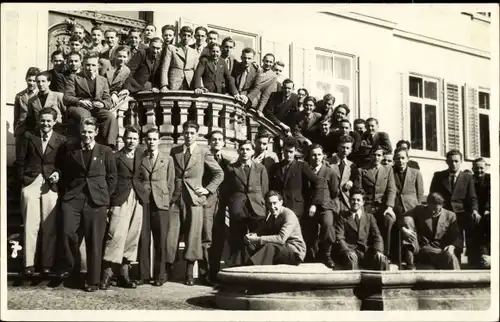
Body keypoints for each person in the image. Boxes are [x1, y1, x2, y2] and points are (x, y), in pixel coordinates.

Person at [57, 117, 117, 292]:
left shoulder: (105, 151)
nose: (87, 135)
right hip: (73, 198)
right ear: (80, 132)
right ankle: (73, 271)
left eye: (90, 132)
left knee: (95, 240)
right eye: (84, 131)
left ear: (96, 132)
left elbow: (112, 177)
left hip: (96, 201)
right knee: (68, 232)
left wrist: (105, 196)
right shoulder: (71, 150)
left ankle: (93, 280)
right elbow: (65, 172)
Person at [167, 121, 224, 285]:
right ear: (182, 133)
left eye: (192, 133)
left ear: (197, 135)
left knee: (193, 236)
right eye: (186, 132)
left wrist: (207, 190)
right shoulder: (174, 151)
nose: (188, 135)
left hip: (194, 199)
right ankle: (166, 269)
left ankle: (189, 274)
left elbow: (219, 174)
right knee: (171, 235)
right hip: (176, 199)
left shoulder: (203, 152)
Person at [17, 107, 66, 276]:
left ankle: (47, 263)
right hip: (31, 182)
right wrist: (23, 180)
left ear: (54, 122)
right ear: (39, 121)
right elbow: (20, 161)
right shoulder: (29, 137)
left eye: (49, 121)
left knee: (49, 225)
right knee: (31, 224)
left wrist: (58, 173)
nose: (45, 124)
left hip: (50, 185)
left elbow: (62, 165)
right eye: (43, 120)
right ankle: (28, 264)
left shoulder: (61, 140)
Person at [100, 126, 147, 289]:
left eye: (134, 138)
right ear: (123, 138)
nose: (131, 141)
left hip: (137, 199)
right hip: (119, 198)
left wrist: (143, 190)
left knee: (132, 236)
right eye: (129, 138)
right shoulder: (115, 157)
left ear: (138, 140)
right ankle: (106, 275)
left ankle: (124, 275)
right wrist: (109, 202)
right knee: (115, 235)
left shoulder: (141, 155)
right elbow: (109, 178)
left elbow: (143, 176)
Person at [136, 128, 175, 286]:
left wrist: (167, 199)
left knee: (161, 239)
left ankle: (160, 275)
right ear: (145, 141)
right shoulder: (140, 157)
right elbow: (137, 178)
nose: (151, 142)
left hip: (161, 202)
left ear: (159, 141)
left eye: (154, 139)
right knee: (143, 238)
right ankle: (143, 274)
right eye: (149, 139)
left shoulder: (167, 159)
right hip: (145, 200)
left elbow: (171, 182)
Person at [429, 149, 480, 267]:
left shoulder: (467, 177)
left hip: (461, 211)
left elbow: (472, 197)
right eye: (451, 161)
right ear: (447, 162)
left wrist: (475, 210)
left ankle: (468, 261)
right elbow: (433, 195)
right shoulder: (439, 176)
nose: (453, 164)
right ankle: (448, 261)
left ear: (461, 161)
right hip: (444, 211)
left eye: (456, 161)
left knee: (468, 224)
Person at [226, 140, 269, 267]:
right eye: (242, 149)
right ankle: (237, 264)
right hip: (238, 206)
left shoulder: (260, 168)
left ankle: (256, 262)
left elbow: (265, 188)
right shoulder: (232, 168)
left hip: (257, 205)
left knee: (257, 234)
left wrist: (265, 207)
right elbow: (227, 188)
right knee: (237, 235)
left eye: (247, 149)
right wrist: (231, 203)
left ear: (252, 152)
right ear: (238, 151)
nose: (245, 152)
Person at [63, 52, 118, 148]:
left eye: (93, 65)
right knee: (85, 116)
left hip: (96, 108)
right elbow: (67, 97)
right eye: (87, 65)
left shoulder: (102, 80)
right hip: (78, 107)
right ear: (83, 65)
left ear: (98, 66)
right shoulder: (74, 78)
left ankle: (108, 146)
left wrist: (102, 104)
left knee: (110, 117)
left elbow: (107, 100)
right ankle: (85, 143)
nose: (90, 68)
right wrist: (80, 101)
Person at [201, 130, 233, 284]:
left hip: (222, 205)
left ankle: (215, 272)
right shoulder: (203, 159)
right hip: (207, 202)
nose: (217, 142)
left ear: (224, 142)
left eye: (220, 139)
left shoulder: (228, 163)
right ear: (209, 142)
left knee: (219, 238)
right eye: (214, 139)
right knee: (206, 237)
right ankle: (204, 273)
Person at [401, 193, 461, 270]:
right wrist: (404, 229)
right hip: (424, 248)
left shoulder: (450, 215)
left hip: (441, 249)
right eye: (430, 209)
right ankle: (458, 279)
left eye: (435, 210)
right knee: (448, 258)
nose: (432, 212)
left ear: (441, 206)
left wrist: (452, 246)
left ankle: (456, 279)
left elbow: (456, 236)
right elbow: (403, 217)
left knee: (450, 257)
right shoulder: (419, 210)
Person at [244, 191, 306, 266]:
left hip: (294, 252)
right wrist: (250, 236)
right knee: (250, 244)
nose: (272, 207)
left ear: (281, 202)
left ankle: (253, 267)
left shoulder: (288, 215)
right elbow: (261, 230)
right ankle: (245, 265)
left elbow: (281, 239)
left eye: (274, 203)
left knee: (269, 247)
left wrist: (257, 239)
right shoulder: (272, 216)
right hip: (280, 248)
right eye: (269, 204)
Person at [268, 138, 325, 219]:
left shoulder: (302, 166)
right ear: (283, 151)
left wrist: (314, 204)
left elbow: (319, 182)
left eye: (291, 152)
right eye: (286, 151)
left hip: (296, 209)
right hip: (278, 209)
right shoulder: (275, 167)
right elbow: (271, 187)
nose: (288, 154)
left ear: (295, 151)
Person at [335, 190, 388, 270]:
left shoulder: (369, 217)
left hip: (366, 252)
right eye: (353, 199)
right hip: (350, 252)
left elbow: (377, 236)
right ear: (349, 201)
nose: (355, 202)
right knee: (352, 261)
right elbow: (339, 237)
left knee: (382, 260)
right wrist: (347, 251)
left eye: (358, 200)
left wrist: (379, 251)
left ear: (363, 202)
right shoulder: (343, 217)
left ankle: (380, 282)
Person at [359, 147, 396, 258]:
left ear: (382, 157)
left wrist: (389, 207)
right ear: (370, 156)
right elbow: (358, 189)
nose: (376, 157)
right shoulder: (362, 170)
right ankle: (365, 254)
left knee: (388, 220)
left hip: (382, 206)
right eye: (374, 155)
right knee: (362, 222)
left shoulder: (388, 170)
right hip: (367, 205)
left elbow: (391, 189)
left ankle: (386, 254)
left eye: (379, 155)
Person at [306, 144, 339, 267]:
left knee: (328, 225)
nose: (316, 157)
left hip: (325, 206)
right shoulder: (307, 170)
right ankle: (312, 255)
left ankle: (327, 254)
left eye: (319, 154)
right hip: (309, 207)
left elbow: (334, 191)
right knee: (309, 229)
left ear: (323, 155)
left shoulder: (330, 172)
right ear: (309, 156)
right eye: (313, 155)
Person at [391, 147, 425, 262]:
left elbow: (420, 194)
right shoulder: (390, 172)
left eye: (402, 158)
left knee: (408, 222)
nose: (400, 161)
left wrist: (419, 210)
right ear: (394, 159)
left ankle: (410, 257)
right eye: (397, 158)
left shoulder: (416, 173)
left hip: (412, 209)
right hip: (395, 208)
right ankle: (409, 258)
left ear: (407, 159)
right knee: (406, 223)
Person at [328, 135, 360, 215]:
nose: (345, 150)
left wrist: (351, 182)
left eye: (348, 148)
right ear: (338, 147)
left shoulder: (352, 166)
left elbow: (355, 180)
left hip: (346, 201)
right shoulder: (328, 163)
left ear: (351, 150)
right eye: (343, 147)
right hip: (330, 200)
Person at [160, 26, 199, 91]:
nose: (186, 38)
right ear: (180, 35)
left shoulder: (194, 51)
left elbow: (197, 71)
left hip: (189, 83)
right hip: (174, 83)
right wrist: (164, 85)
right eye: (184, 35)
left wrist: (198, 86)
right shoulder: (171, 48)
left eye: (188, 36)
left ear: (191, 37)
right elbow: (165, 68)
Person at [14, 67, 40, 148]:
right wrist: (16, 131)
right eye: (29, 80)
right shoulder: (19, 96)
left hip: (37, 129)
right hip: (22, 130)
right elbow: (16, 116)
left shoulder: (41, 95)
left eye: (34, 81)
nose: (31, 83)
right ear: (26, 79)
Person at [472, 158, 491, 269]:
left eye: (481, 168)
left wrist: (487, 209)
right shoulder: (470, 179)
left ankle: (486, 260)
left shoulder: (490, 178)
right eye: (476, 168)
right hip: (474, 211)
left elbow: (491, 194)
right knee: (475, 237)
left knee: (485, 237)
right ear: (472, 168)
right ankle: (475, 260)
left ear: (486, 167)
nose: (479, 170)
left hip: (486, 211)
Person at [99, 45, 131, 110]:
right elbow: (98, 82)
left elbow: (118, 86)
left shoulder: (126, 71)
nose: (122, 59)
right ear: (115, 56)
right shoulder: (105, 64)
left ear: (128, 58)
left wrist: (114, 93)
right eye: (119, 56)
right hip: (99, 94)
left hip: (109, 97)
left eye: (124, 57)